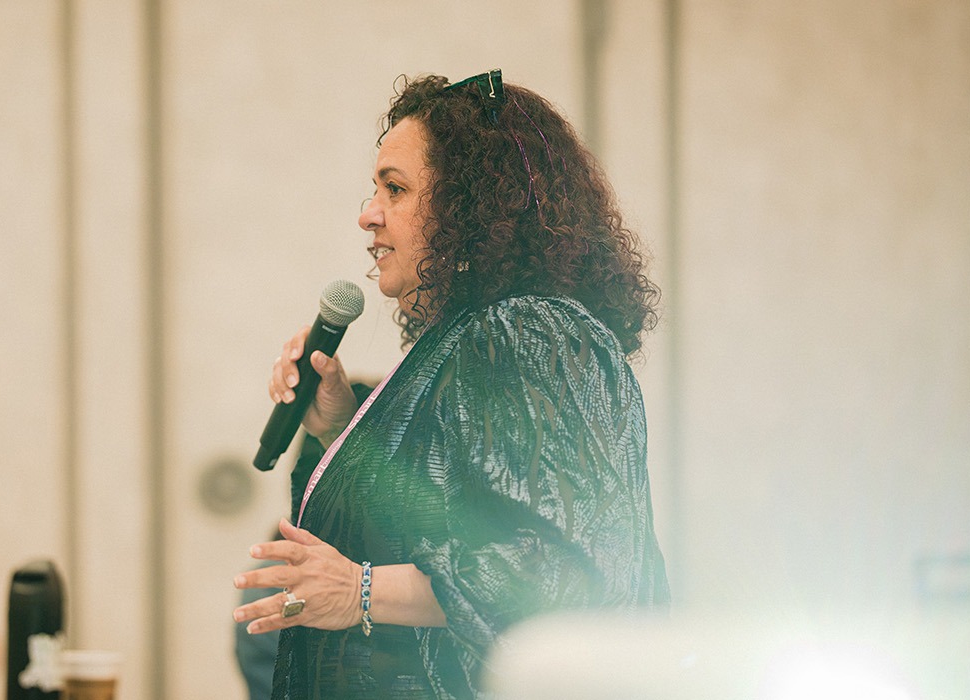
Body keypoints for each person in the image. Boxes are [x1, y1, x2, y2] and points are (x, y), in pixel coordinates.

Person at [232, 70, 670, 699]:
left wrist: (358, 590)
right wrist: (339, 425)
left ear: (472, 208)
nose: (367, 214)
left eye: (396, 189)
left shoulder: (527, 332)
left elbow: (558, 568)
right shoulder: (465, 338)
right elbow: (432, 519)